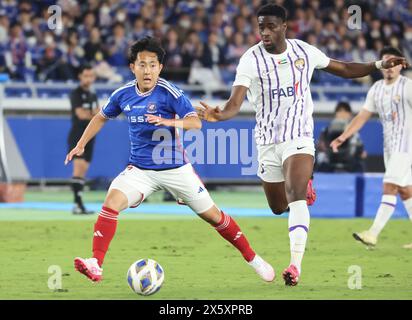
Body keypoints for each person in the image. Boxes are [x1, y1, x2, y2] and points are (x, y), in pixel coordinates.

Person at [196, 4, 408, 286]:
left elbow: (343, 68)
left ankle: (295, 265)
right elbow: (235, 102)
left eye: (271, 27)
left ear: (285, 26)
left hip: (299, 137)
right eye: (261, 27)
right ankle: (302, 187)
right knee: (277, 206)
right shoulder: (250, 60)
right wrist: (219, 114)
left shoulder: (303, 52)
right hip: (267, 141)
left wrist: (379, 65)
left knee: (295, 195)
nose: (265, 33)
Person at [65, 37, 274, 283]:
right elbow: (101, 117)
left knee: (213, 216)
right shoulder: (122, 94)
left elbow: (195, 122)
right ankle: (96, 263)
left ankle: (253, 258)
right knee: (111, 202)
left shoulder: (170, 93)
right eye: (142, 64)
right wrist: (81, 143)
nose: (148, 70)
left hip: (176, 169)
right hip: (140, 170)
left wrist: (168, 122)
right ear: (133, 67)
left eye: (153, 65)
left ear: (160, 67)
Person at [330, 47, 412, 248]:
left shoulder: (408, 87)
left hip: (406, 145)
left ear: (401, 65)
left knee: (389, 186)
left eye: (394, 63)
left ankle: (372, 234)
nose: (390, 67)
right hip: (390, 147)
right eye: (387, 63)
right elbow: (362, 116)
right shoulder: (376, 89)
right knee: (405, 191)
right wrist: (343, 136)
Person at [67, 64, 99, 214]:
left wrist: (93, 114)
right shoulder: (76, 93)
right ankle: (77, 204)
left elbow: (98, 115)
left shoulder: (93, 95)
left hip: (90, 137)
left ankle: (78, 203)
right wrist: (93, 114)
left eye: (91, 76)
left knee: (84, 169)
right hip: (78, 134)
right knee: (78, 168)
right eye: (86, 75)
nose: (88, 79)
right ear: (80, 76)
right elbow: (81, 114)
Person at [316, 101, 366, 173]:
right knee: (320, 160)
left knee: (359, 164)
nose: (342, 114)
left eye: (346, 111)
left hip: (349, 160)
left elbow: (359, 149)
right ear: (336, 114)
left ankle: (359, 183)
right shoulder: (326, 130)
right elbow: (321, 146)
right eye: (340, 111)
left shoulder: (354, 132)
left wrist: (360, 152)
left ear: (350, 114)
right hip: (330, 159)